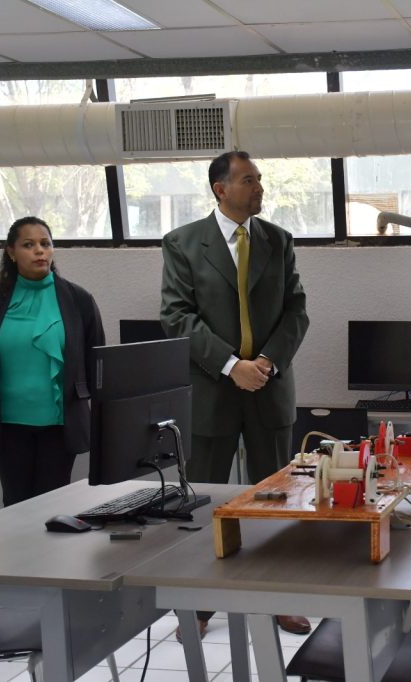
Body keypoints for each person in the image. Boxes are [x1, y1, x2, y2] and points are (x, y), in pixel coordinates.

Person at [160, 150, 310, 638]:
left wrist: (266, 363)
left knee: (277, 501)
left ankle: (279, 598)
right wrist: (231, 366)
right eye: (248, 180)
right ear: (220, 188)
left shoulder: (278, 241)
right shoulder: (183, 243)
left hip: (269, 387)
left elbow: (296, 311)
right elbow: (177, 315)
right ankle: (200, 606)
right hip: (212, 391)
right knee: (204, 501)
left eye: (260, 179)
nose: (259, 187)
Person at [0, 216, 104, 507]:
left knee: (53, 505)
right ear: (11, 252)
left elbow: (97, 358)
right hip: (8, 426)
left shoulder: (78, 299)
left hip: (59, 426)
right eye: (28, 245)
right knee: (15, 504)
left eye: (45, 243)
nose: (39, 251)